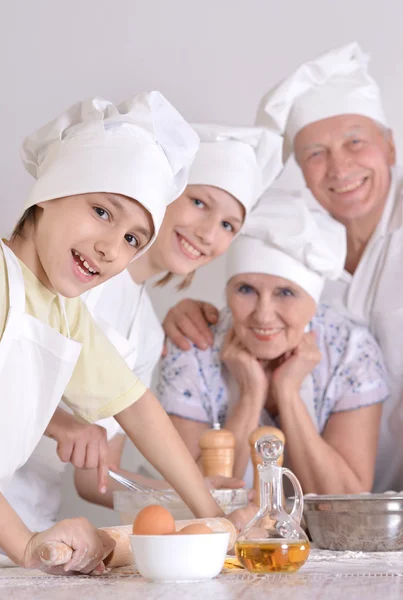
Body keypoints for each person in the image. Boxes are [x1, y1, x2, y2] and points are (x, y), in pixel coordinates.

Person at [0, 92, 252, 575]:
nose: (111, 248)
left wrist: (214, 518)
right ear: (50, 190)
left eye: (134, 238)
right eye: (102, 211)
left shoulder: (64, 310)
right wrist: (26, 544)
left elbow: (136, 407)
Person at [163, 42, 403, 492]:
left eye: (355, 141)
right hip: (367, 504)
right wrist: (184, 310)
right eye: (315, 153)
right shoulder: (302, 240)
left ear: (389, 146)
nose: (339, 167)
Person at [158, 191, 389, 494]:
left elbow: (345, 501)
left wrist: (288, 394)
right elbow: (194, 499)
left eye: (285, 293)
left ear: (314, 301)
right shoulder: (194, 346)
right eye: (245, 290)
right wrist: (250, 397)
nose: (263, 315)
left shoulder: (351, 352)